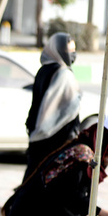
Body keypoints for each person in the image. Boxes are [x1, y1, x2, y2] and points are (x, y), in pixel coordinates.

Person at [23, 32, 82, 180]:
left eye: (74, 51)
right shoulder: (64, 74)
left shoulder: (43, 71)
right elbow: (70, 109)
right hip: (56, 140)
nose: (72, 55)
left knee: (32, 183)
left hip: (37, 135)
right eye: (68, 51)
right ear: (58, 51)